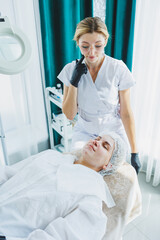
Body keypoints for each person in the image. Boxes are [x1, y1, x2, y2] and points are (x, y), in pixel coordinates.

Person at [0, 133, 126, 240]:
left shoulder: (91, 198)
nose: (96, 142)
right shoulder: (50, 155)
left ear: (108, 165)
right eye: (97, 138)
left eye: (105, 146)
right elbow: (9, 173)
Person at [57, 17, 141, 174]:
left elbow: (126, 113)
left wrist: (135, 152)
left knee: (111, 173)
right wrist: (74, 82)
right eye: (85, 46)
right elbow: (69, 114)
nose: (91, 53)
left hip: (112, 132)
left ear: (106, 41)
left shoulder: (118, 68)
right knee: (82, 171)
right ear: (77, 43)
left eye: (98, 46)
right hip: (84, 132)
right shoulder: (70, 70)